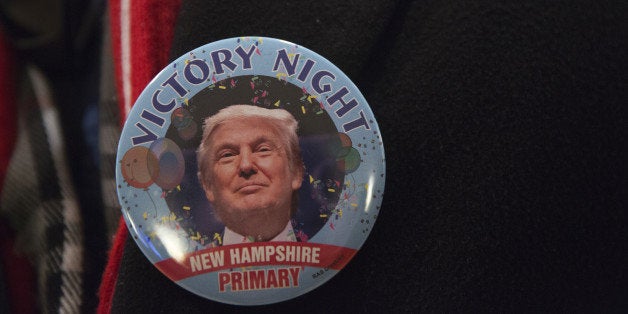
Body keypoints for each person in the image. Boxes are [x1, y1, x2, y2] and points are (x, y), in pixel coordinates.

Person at [197, 104, 304, 245]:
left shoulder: (331, 249)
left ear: (296, 172)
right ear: (208, 185)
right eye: (228, 155)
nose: (246, 165)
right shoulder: (181, 264)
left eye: (263, 150)